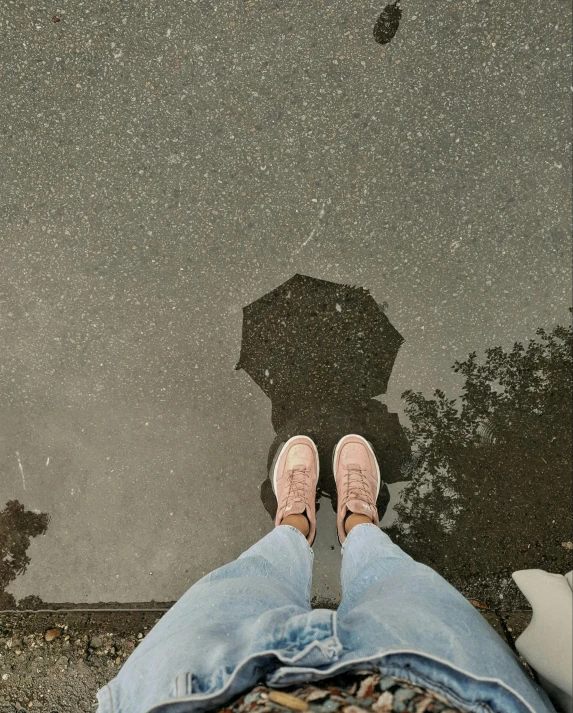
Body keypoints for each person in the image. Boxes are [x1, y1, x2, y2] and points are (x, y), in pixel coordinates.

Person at [96, 434, 557, 713]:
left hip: (190, 692)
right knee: (390, 572)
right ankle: (357, 520)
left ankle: (296, 522)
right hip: (447, 685)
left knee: (250, 578)